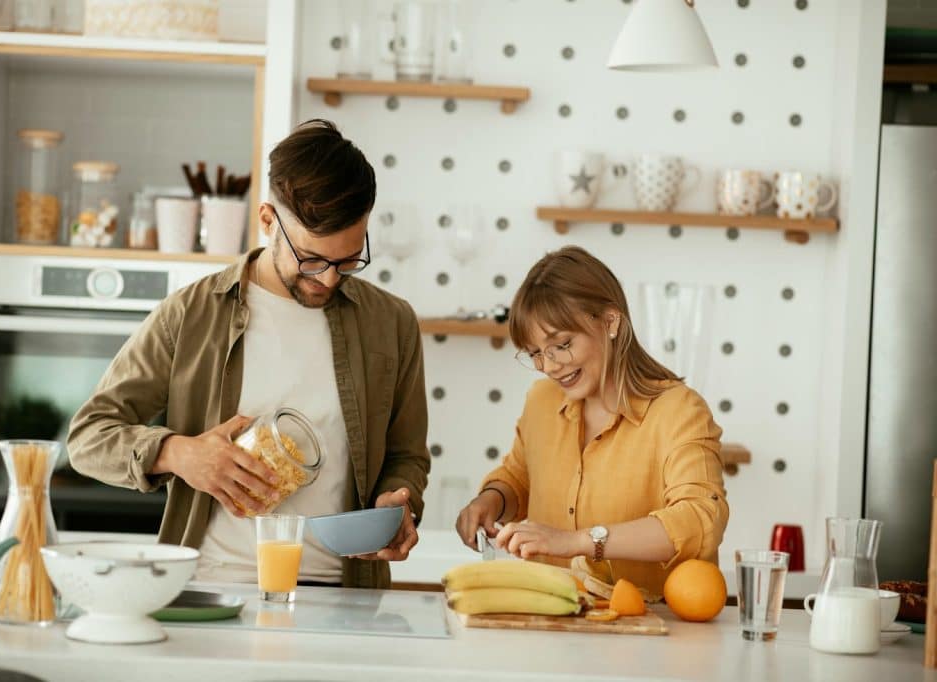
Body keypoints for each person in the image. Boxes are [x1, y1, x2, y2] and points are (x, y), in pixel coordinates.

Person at [68, 119, 430, 589]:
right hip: (211, 589)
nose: (329, 280)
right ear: (266, 220)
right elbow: (88, 438)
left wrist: (398, 504)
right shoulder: (190, 314)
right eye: (312, 260)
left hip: (345, 597)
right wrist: (179, 454)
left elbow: (407, 457)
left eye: (348, 261)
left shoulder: (392, 324)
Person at [454, 246, 727, 594]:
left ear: (610, 322)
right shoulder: (541, 402)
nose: (550, 366)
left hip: (652, 635)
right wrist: (491, 500)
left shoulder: (679, 411)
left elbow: (700, 519)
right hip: (549, 625)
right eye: (536, 353)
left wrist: (581, 541)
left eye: (562, 344)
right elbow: (519, 478)